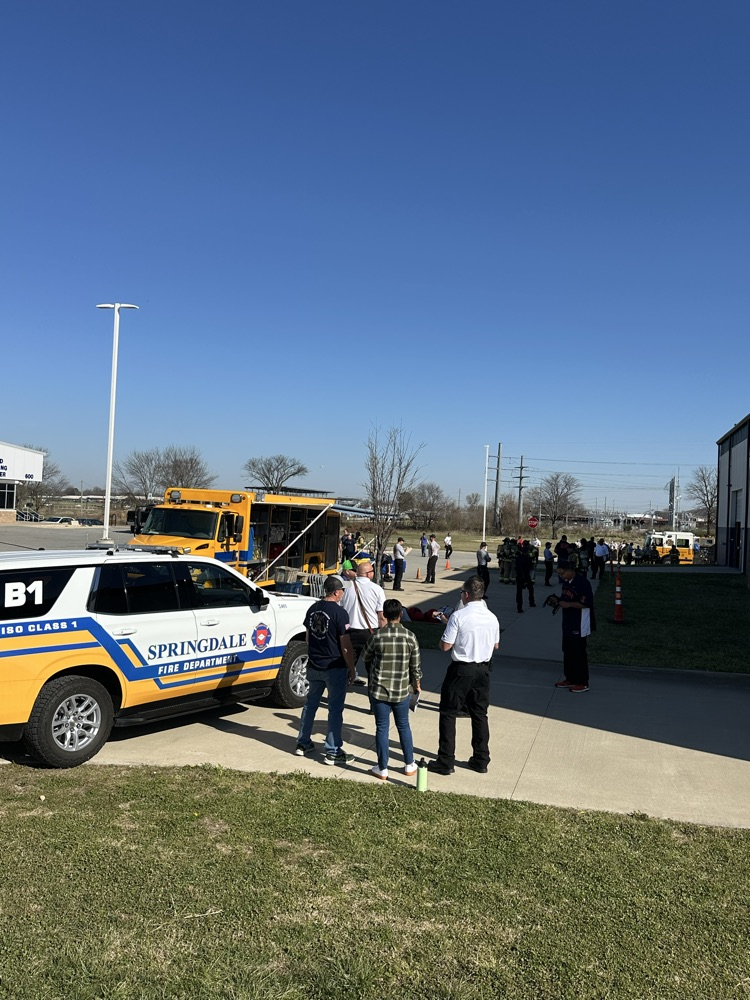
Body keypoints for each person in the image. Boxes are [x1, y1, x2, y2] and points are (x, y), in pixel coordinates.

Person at [428, 575, 500, 775]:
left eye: (461, 592)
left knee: (448, 713)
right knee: (479, 714)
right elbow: (496, 645)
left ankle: (446, 759)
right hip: (483, 669)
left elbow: (445, 646)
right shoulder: (491, 617)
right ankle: (481, 758)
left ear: (466, 594)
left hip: (462, 668)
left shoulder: (459, 616)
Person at [296, 576, 356, 763]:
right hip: (334, 666)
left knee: (310, 704)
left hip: (315, 664)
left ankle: (303, 742)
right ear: (336, 592)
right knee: (335, 709)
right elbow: (345, 644)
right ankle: (333, 750)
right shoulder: (340, 613)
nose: (343, 594)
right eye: (342, 591)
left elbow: (308, 637)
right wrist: (351, 666)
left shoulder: (313, 609)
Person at [362, 598, 422, 780]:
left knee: (382, 728)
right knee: (404, 726)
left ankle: (382, 768)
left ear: (384, 615)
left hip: (379, 689)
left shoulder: (377, 636)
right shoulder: (410, 636)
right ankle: (409, 765)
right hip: (402, 690)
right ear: (401, 614)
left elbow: (365, 656)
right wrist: (416, 684)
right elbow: (416, 666)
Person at [340, 560, 386, 686]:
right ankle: (374, 697)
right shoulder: (377, 589)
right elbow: (381, 617)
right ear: (368, 574)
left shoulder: (346, 588)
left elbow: (341, 610)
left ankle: (339, 693)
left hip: (349, 632)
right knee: (372, 668)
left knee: (346, 666)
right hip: (369, 632)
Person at [553, 560, 595, 693]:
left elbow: (587, 603)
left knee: (578, 652)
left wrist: (569, 604)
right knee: (567, 650)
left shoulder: (583, 583)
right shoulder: (565, 583)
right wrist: (557, 601)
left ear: (570, 570)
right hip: (568, 622)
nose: (561, 576)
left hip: (580, 622)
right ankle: (570, 678)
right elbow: (564, 599)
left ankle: (582, 682)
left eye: (563, 573)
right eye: (559, 574)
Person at [515, 540, 536, 613]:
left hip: (519, 576)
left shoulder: (518, 558)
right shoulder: (528, 558)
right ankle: (531, 602)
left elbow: (516, 567)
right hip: (526, 576)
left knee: (519, 593)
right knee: (531, 589)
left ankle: (519, 607)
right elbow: (530, 567)